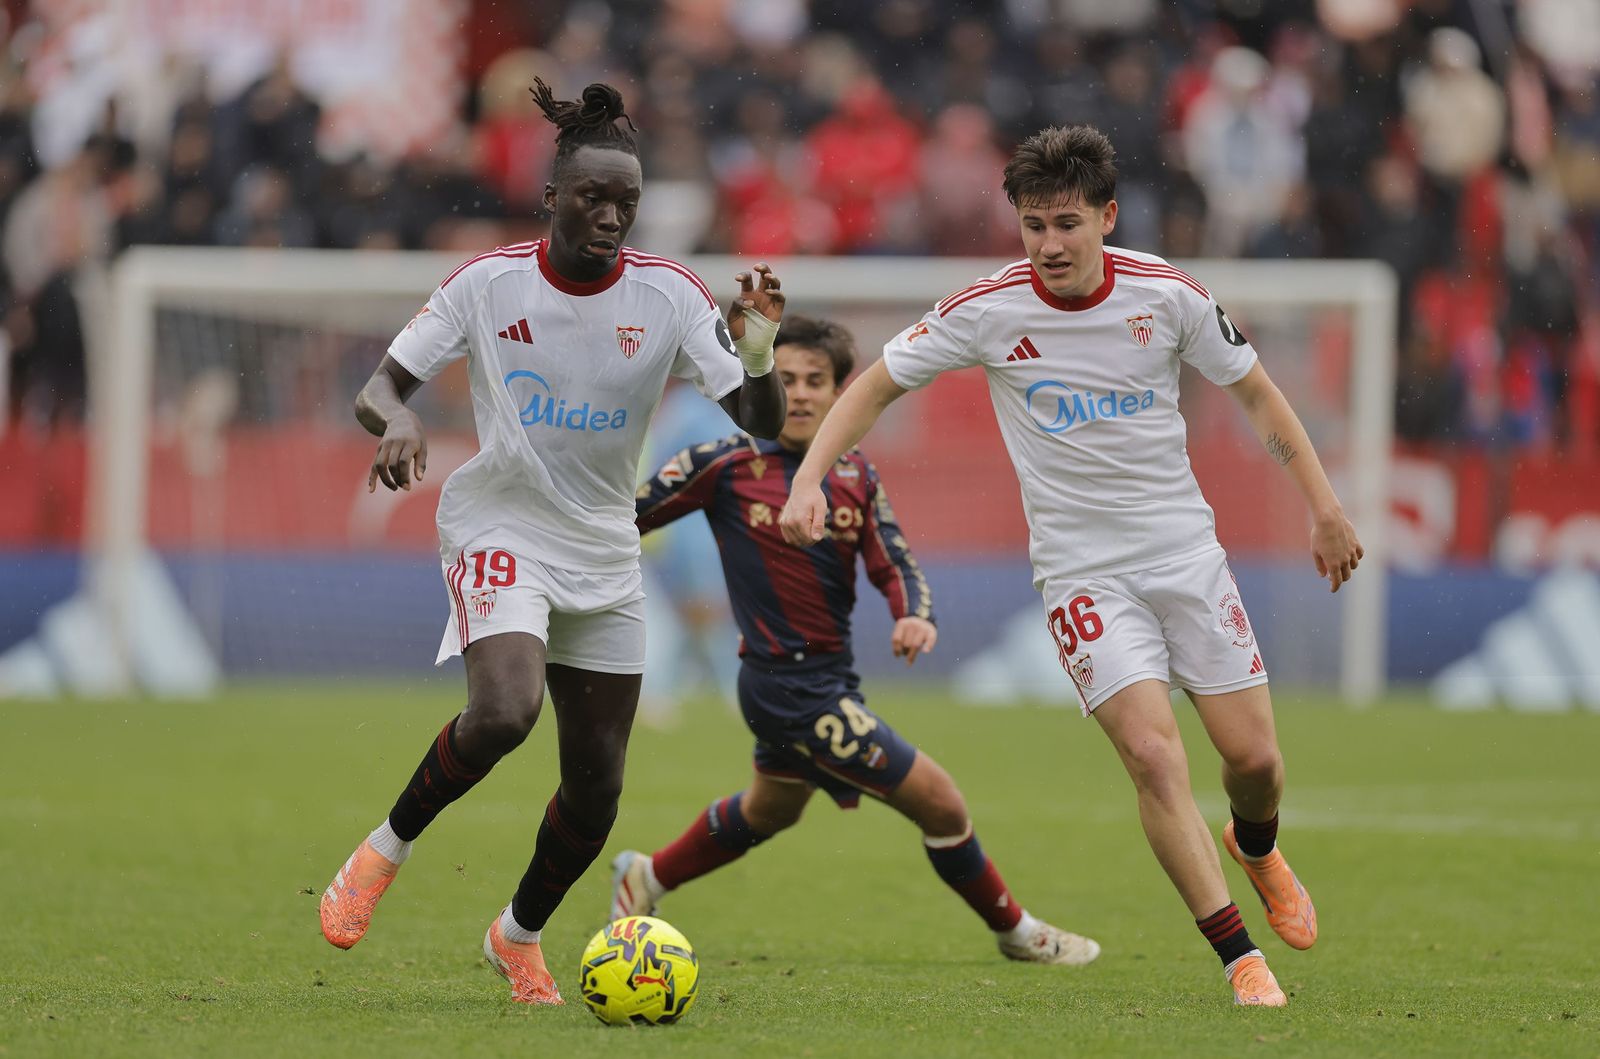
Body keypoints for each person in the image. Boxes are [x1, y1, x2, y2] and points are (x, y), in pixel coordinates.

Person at [779, 125, 1364, 1008]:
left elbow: (1254, 391)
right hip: (1082, 576)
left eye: (1066, 224)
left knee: (1255, 762)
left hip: (1186, 559)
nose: (1049, 245)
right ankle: (1241, 958)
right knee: (1152, 756)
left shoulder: (1166, 296)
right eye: (1032, 225)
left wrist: (1324, 507)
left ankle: (1257, 843)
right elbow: (874, 386)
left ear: (1107, 217)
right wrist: (811, 477)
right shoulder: (988, 307)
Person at [318, 79, 787, 1006]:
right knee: (504, 712)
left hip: (605, 547)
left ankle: (517, 934)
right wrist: (396, 424)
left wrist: (762, 344)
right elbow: (377, 388)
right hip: (501, 521)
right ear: (552, 197)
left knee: (597, 789)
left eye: (627, 203)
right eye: (593, 199)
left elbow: (762, 423)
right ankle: (382, 850)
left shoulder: (673, 296)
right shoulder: (487, 284)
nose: (611, 217)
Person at [611, 315, 1099, 966]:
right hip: (788, 686)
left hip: (828, 679)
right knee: (942, 802)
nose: (803, 393)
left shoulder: (855, 476)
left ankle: (648, 875)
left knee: (769, 810)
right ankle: (1018, 931)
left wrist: (912, 613)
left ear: (843, 392)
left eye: (818, 380)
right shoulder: (722, 462)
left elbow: (893, 560)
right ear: (760, 387)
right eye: (785, 379)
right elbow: (624, 518)